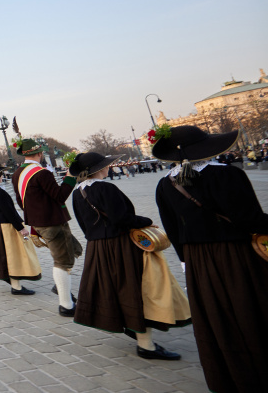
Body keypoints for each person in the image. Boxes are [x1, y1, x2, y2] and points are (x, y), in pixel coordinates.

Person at [154, 126, 268, 392]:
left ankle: (228, 374)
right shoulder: (226, 174)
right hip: (236, 254)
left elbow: (172, 228)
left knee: (217, 315)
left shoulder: (165, 184)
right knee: (249, 308)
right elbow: (250, 219)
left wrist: (186, 261)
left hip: (198, 260)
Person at [69, 152, 190, 360]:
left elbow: (83, 225)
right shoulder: (106, 188)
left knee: (115, 290)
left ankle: (129, 326)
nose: (108, 167)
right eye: (106, 165)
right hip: (120, 245)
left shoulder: (77, 193)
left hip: (97, 249)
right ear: (99, 169)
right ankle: (146, 346)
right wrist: (146, 221)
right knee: (137, 290)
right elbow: (121, 219)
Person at [11, 138, 81, 317]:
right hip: (53, 221)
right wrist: (70, 177)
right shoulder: (42, 173)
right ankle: (66, 305)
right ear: (40, 153)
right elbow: (60, 196)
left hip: (38, 222)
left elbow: (20, 200)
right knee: (63, 261)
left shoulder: (17, 173)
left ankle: (61, 286)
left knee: (70, 251)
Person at [0, 165, 40, 293]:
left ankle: (14, 284)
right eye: (1, 175)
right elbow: (9, 212)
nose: (2, 177)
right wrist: (21, 228)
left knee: (5, 255)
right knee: (12, 255)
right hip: (5, 227)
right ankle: (16, 286)